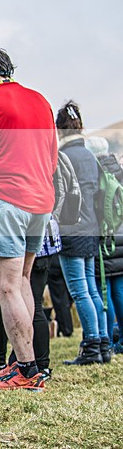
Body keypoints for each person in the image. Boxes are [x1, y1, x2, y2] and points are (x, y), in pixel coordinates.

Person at [0, 47, 57, 390]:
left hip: (7, 199)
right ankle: (25, 362)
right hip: (42, 200)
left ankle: (27, 371)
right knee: (23, 282)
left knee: (6, 286)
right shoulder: (40, 100)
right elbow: (52, 158)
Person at [0, 173, 60, 382]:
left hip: (17, 237)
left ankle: (34, 365)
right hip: (19, 232)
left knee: (24, 299)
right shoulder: (38, 152)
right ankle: (6, 364)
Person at [55, 102, 106, 364]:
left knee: (79, 290)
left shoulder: (63, 157)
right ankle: (104, 342)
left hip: (71, 229)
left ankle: (91, 346)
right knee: (92, 288)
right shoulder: (90, 156)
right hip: (92, 228)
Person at [86, 136, 123, 354]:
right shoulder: (118, 169)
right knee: (120, 288)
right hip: (121, 236)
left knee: (103, 290)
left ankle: (106, 339)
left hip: (105, 240)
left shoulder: (96, 173)